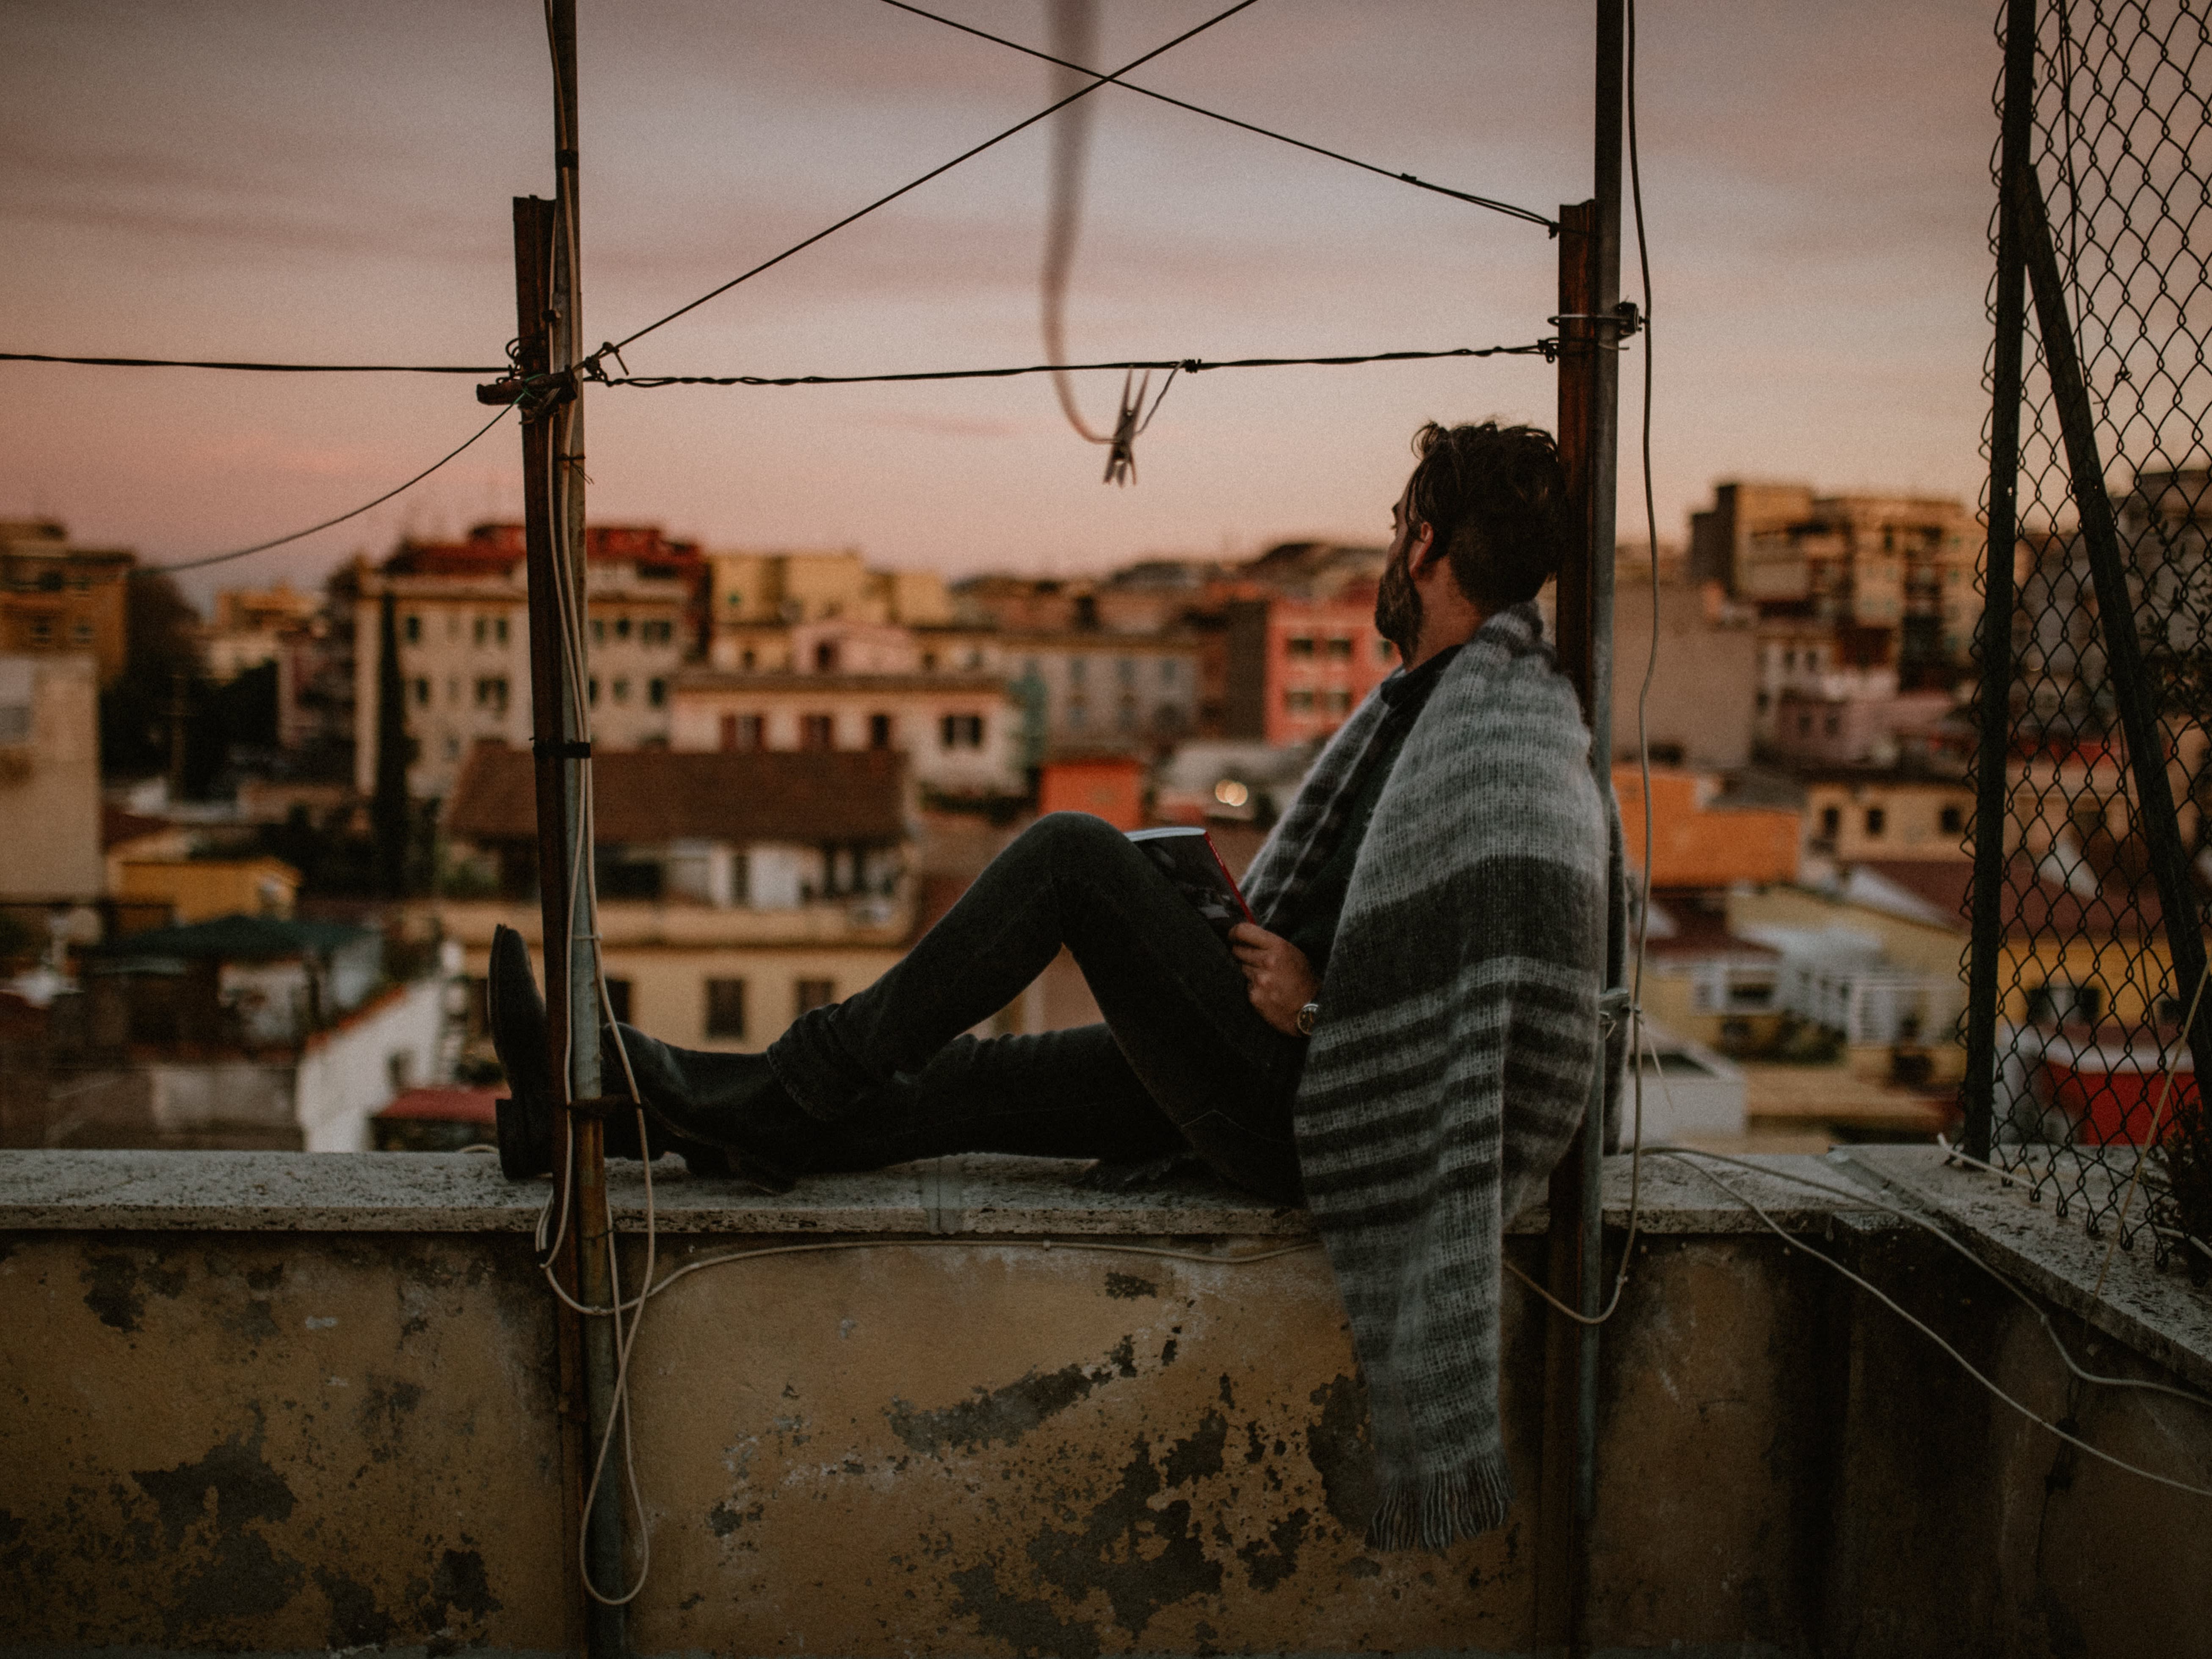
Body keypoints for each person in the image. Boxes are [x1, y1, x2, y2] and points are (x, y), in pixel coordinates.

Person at [492, 419, 1619, 1549]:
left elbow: (1491, 1036)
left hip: (1317, 1112)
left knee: (1072, 856)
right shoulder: (1444, 709)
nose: (1389, 555)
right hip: (1288, 1067)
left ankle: (777, 1092)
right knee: (969, 1088)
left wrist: (1317, 1006)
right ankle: (596, 1113)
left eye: (1393, 532)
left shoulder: (1500, 746)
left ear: (1420, 547)